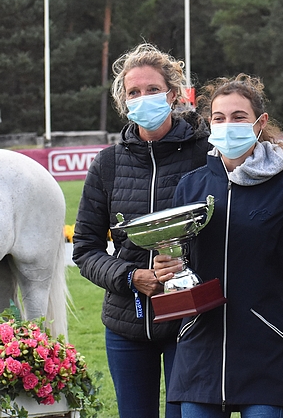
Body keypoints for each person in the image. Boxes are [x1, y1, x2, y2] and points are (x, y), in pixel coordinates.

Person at [153, 74, 283, 417]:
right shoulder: (190, 186)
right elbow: (177, 265)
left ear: (260, 123)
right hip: (199, 355)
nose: (228, 125)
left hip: (265, 352)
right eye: (219, 118)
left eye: (239, 117)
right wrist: (165, 267)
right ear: (208, 123)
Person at [73, 43, 210, 418]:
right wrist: (133, 277)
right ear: (124, 102)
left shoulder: (207, 152)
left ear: (173, 94)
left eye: (152, 89)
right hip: (126, 325)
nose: (143, 98)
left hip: (192, 322)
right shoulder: (108, 164)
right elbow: (85, 248)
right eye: (134, 92)